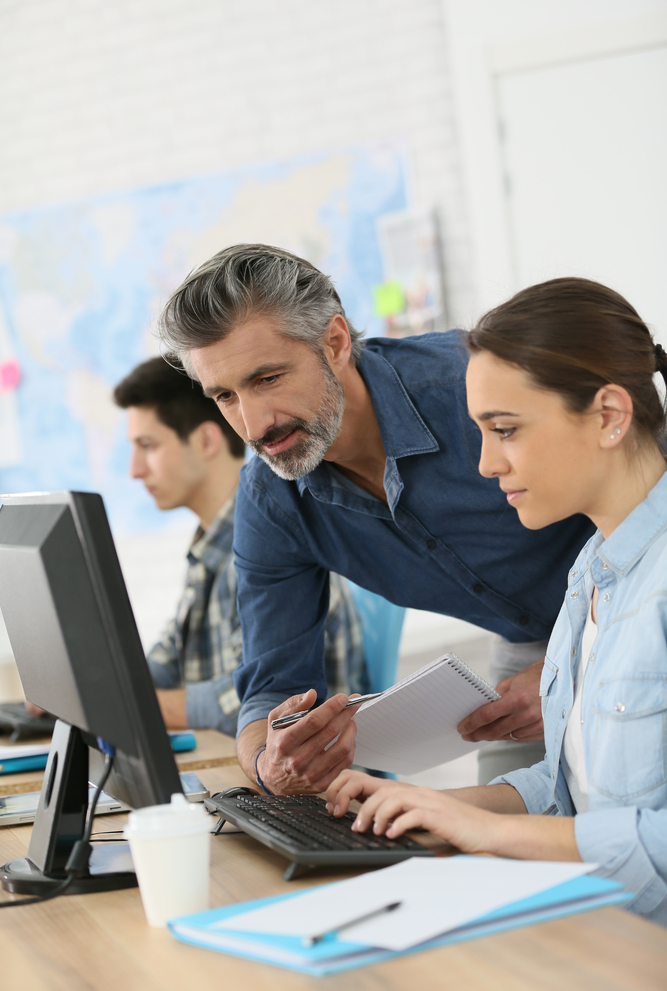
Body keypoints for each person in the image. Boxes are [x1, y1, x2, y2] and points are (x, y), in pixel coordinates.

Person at [157, 244, 593, 792]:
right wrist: (266, 761)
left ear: (335, 342)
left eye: (267, 378)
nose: (252, 425)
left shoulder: (474, 388)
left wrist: (578, 660)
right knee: (499, 848)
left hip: (637, 606)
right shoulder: (272, 498)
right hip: (529, 648)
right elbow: (270, 688)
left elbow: (645, 506)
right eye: (224, 395)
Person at [326, 277, 667, 925]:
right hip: (602, 932)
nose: (485, 464)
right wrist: (437, 807)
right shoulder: (590, 571)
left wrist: (488, 832)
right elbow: (575, 792)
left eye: (504, 429)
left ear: (608, 416)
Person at [112, 356, 365, 735]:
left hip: (310, 782)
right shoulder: (209, 545)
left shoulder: (273, 545)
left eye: (147, 446)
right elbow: (168, 660)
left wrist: (135, 703)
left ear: (206, 440)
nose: (134, 469)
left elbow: (254, 703)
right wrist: (99, 686)